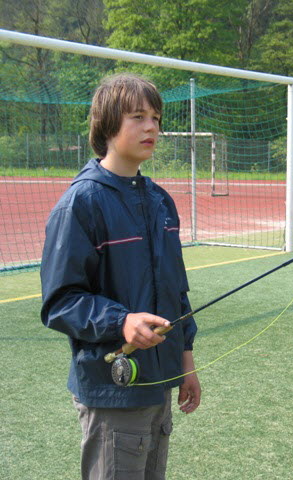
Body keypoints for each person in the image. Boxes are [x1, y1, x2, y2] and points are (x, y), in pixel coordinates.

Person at [40, 73, 201, 480]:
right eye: (138, 117)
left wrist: (186, 361)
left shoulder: (160, 201)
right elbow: (61, 302)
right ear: (108, 124)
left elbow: (176, 290)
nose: (152, 127)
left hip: (159, 383)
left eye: (156, 118)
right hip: (113, 391)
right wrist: (121, 321)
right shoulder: (81, 203)